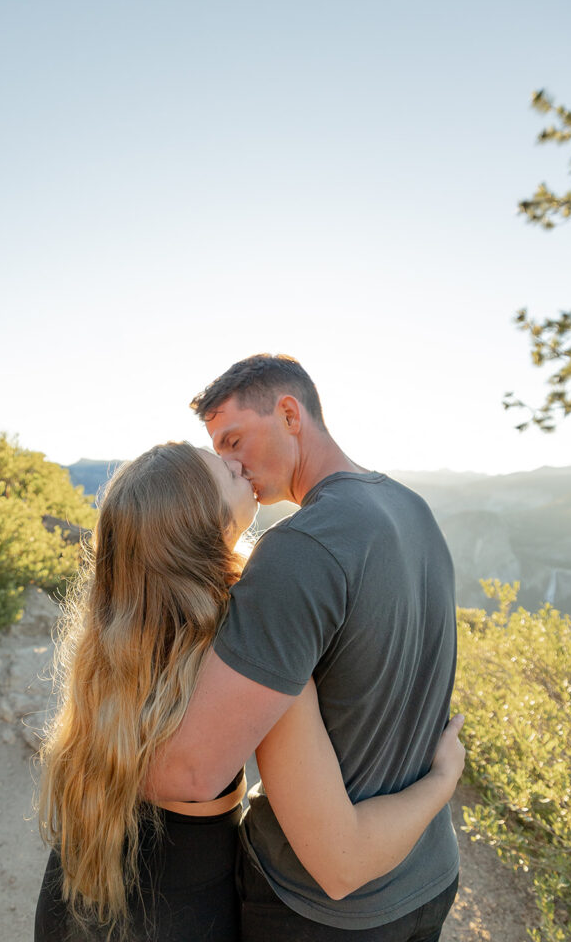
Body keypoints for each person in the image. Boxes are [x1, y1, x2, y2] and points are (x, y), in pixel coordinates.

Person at [35, 440, 464, 942]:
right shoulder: (247, 645)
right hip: (178, 912)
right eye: (223, 467)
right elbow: (343, 858)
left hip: (75, 889)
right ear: (204, 522)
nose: (238, 461)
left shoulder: (111, 636)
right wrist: (443, 779)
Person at [146, 354, 461, 941]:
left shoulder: (298, 548)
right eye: (218, 452)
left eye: (234, 439)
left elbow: (191, 774)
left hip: (320, 907)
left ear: (290, 413)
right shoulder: (411, 507)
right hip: (428, 871)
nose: (231, 464)